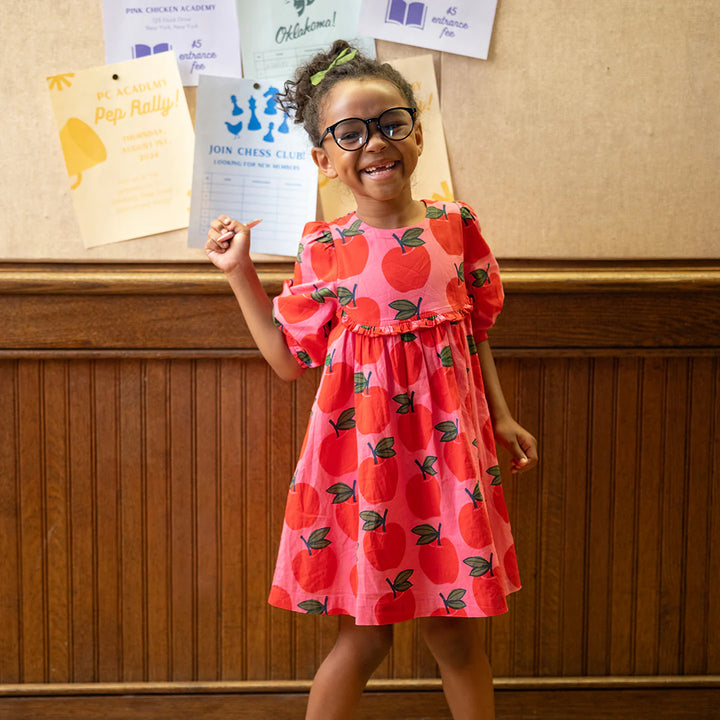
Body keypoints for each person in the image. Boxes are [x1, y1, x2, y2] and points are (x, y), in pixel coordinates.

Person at [205, 40, 538, 720]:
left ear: (417, 132)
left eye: (391, 123)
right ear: (325, 160)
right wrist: (240, 273)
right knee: (364, 637)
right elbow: (283, 358)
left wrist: (499, 416)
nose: (376, 144)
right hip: (368, 471)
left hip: (451, 462)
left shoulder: (455, 227)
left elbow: (474, 332)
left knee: (456, 635)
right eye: (350, 133)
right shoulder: (324, 247)